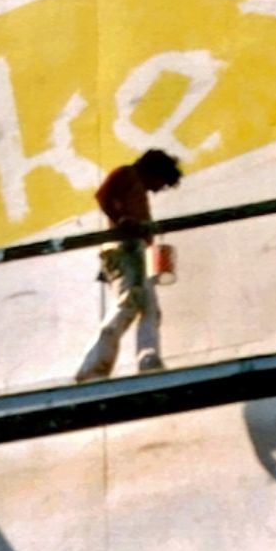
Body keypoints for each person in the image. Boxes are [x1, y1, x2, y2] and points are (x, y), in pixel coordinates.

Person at [74, 148, 182, 382]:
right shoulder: (127, 174)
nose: (160, 188)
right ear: (154, 171)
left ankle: (148, 357)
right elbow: (103, 195)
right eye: (161, 181)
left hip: (137, 250)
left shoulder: (139, 189)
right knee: (128, 303)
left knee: (150, 308)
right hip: (123, 247)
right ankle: (92, 367)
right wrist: (121, 219)